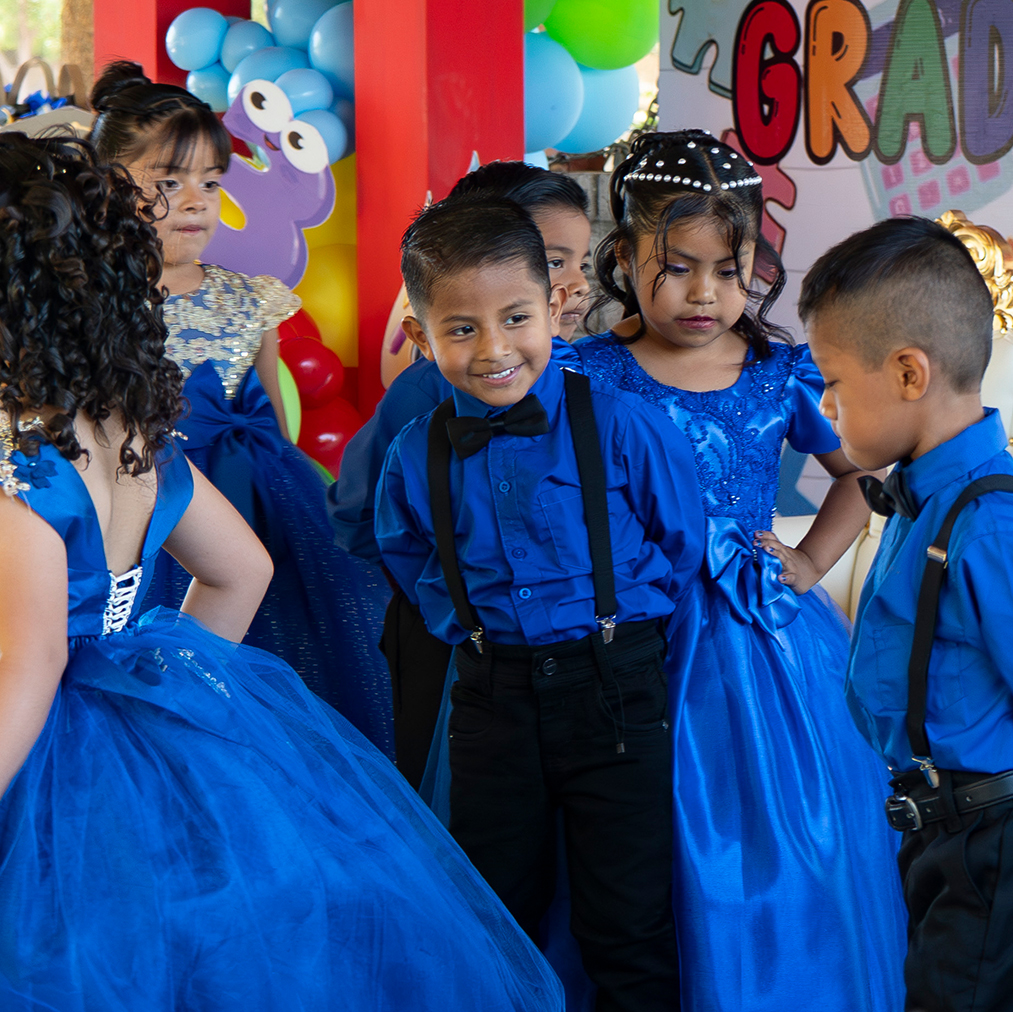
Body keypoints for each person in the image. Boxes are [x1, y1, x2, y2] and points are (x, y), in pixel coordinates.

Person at [0, 132, 564, 1012]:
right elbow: (241, 572)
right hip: (129, 736)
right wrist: (160, 689)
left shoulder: (19, 474)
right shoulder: (131, 436)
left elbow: (26, 669)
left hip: (37, 766)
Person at [573, 130, 906, 1011]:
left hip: (766, 641)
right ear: (622, 257)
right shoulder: (585, 374)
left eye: (728, 270)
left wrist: (805, 561)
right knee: (652, 836)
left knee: (796, 833)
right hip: (638, 634)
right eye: (676, 267)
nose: (704, 294)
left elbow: (859, 478)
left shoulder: (777, 374)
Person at [374, 195, 705, 1012]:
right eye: (459, 329)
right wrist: (465, 623)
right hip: (492, 697)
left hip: (614, 690)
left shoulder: (625, 424)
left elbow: (679, 540)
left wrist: (621, 623)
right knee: (494, 910)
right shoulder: (415, 453)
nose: (493, 350)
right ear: (419, 337)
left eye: (514, 317)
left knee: (625, 916)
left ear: (555, 306)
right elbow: (405, 549)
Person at [87, 61, 392, 753]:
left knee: (291, 671)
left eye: (211, 183)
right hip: (155, 515)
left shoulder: (249, 297)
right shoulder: (100, 309)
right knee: (162, 695)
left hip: (265, 507)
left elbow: (272, 426)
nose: (197, 201)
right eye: (169, 183)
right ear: (107, 187)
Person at [800, 216, 1013, 1012]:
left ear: (907, 374)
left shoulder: (989, 522)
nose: (822, 408)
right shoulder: (914, 498)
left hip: (992, 842)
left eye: (831, 382)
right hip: (934, 831)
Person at [330, 161, 593, 788]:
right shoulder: (430, 396)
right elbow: (364, 520)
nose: (579, 285)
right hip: (453, 640)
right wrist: (451, 600)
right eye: (555, 261)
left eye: (582, 261)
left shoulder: (586, 388)